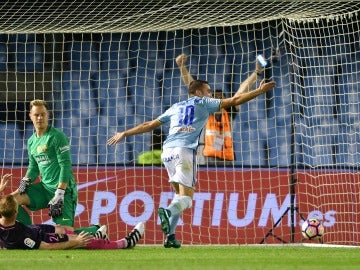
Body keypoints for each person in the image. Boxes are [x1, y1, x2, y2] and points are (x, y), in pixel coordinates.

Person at [107, 55, 276, 248]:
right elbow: (234, 96)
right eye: (209, 92)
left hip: (168, 152)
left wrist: (124, 133)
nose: (212, 95)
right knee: (186, 199)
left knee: (179, 195)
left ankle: (169, 236)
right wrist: (260, 91)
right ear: (200, 93)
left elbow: (150, 124)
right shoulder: (206, 104)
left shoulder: (176, 106)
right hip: (187, 152)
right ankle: (168, 211)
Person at [10, 99, 98, 235]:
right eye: (36, 115)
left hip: (63, 191)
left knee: (63, 234)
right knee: (8, 202)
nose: (40, 118)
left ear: (48, 115)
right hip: (44, 188)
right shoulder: (31, 141)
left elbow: (66, 166)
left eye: (43, 114)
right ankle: (28, 233)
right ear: (30, 116)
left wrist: (60, 193)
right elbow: (34, 166)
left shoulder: (57, 136)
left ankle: (96, 230)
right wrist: (26, 179)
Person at [176, 53, 264, 166]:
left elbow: (242, 91)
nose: (218, 99)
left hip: (226, 159)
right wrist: (181, 67)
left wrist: (257, 73)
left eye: (221, 97)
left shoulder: (230, 111)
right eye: (215, 97)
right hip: (204, 158)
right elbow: (192, 87)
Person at [0, 192, 145, 250]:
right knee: (80, 240)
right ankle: (126, 243)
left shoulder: (4, 222)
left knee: (62, 228)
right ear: (16, 212)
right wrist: (74, 243)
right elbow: (45, 247)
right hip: (39, 237)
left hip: (36, 229)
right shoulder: (20, 236)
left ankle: (95, 236)